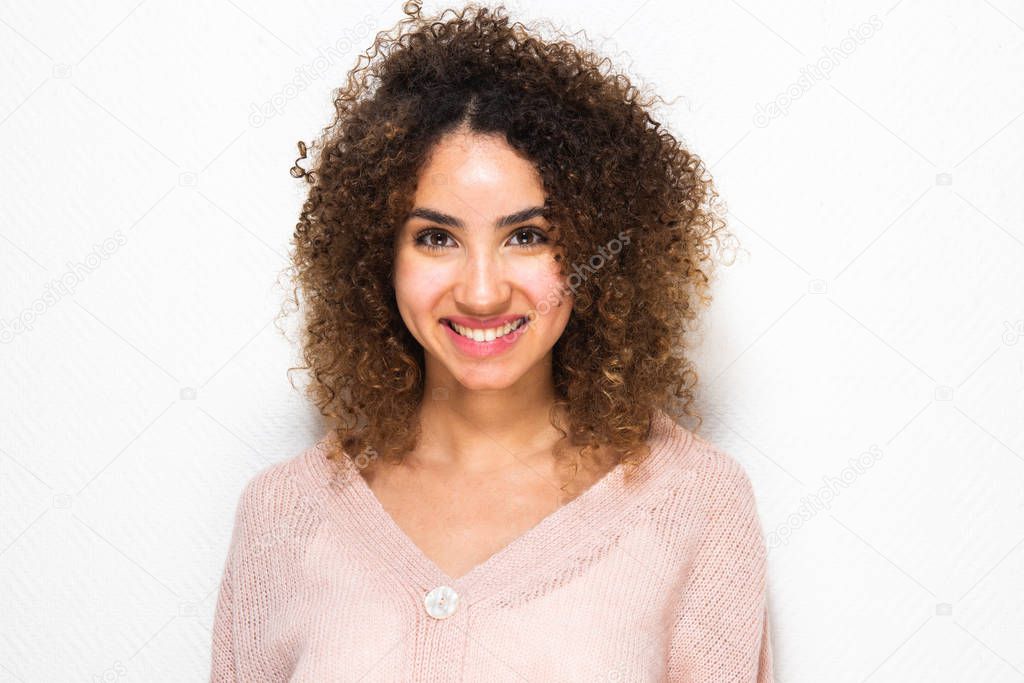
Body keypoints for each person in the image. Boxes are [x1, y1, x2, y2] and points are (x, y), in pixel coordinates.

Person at [210, 2, 774, 680]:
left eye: (527, 236)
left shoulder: (695, 503)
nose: (481, 292)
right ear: (377, 257)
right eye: (436, 238)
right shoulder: (282, 514)